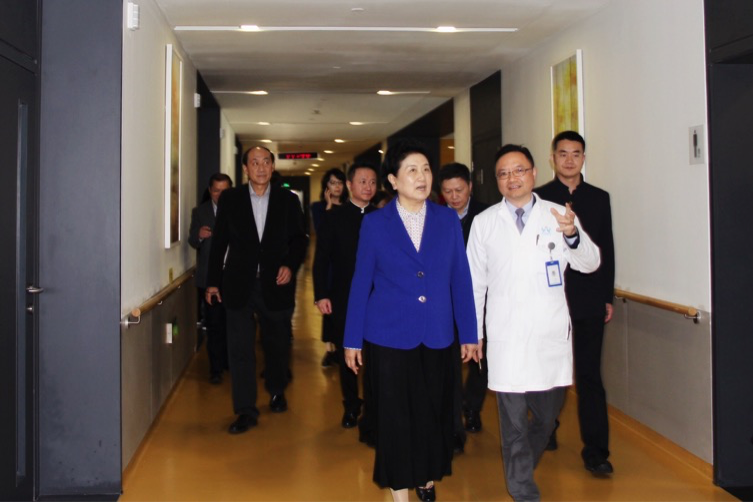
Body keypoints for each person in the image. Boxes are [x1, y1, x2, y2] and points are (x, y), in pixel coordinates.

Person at [344, 140, 480, 502]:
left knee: (433, 412)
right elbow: (361, 282)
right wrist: (352, 339)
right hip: (389, 335)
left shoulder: (446, 219)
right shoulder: (375, 224)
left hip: (437, 333)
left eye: (426, 169)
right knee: (395, 416)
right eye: (412, 170)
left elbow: (460, 278)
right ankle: (400, 488)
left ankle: (426, 475)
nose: (422, 177)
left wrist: (469, 333)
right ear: (393, 180)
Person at [466, 144, 600, 502]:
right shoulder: (484, 223)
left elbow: (590, 263)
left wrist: (572, 235)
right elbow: (474, 283)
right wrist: (473, 333)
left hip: (548, 335)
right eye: (504, 173)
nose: (512, 178)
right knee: (512, 425)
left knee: (545, 418)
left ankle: (521, 469)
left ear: (534, 173)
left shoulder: (558, 215)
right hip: (506, 336)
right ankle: (523, 491)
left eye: (519, 170)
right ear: (497, 181)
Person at [205, 146, 308, 435]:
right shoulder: (231, 199)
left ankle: (276, 390)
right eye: (255, 163)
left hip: (276, 283)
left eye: (266, 162)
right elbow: (220, 242)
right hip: (239, 284)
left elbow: (299, 239)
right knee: (240, 349)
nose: (261, 168)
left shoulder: (287, 200)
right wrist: (212, 281)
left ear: (272, 167)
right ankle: (245, 410)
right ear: (245, 169)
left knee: (277, 344)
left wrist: (290, 265)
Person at [534, 130, 615, 475]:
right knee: (549, 372)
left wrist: (607, 296)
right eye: (563, 153)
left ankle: (596, 452)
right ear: (552, 158)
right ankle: (546, 428)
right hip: (551, 301)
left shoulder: (598, 198)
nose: (569, 160)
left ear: (584, 158)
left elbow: (606, 249)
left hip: (589, 300)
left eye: (576, 153)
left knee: (589, 376)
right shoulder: (539, 198)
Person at [313, 162, 378, 430]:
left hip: (378, 299)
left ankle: (374, 407)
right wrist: (321, 294)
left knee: (375, 355)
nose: (368, 187)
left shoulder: (383, 217)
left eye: (372, 182)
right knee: (346, 354)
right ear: (350, 185)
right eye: (362, 181)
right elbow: (321, 259)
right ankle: (351, 405)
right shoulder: (334, 218)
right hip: (344, 297)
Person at [438, 162, 490, 446]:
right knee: (450, 365)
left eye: (459, 190)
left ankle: (472, 407)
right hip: (446, 303)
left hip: (481, 301)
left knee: (481, 361)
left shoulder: (487, 215)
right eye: (447, 191)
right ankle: (453, 424)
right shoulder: (434, 218)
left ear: (470, 187)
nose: (454, 196)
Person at [188, 173, 232, 384]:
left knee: (233, 322)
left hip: (233, 276)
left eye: (225, 191)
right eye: (216, 190)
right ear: (210, 190)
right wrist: (199, 235)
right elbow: (192, 240)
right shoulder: (200, 212)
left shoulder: (240, 210)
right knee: (214, 324)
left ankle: (229, 362)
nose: (220, 195)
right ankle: (215, 369)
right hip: (209, 278)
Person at [310, 168, 349, 367]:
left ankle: (342, 347)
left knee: (343, 308)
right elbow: (320, 231)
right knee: (328, 307)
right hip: (327, 265)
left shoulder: (349, 207)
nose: (337, 187)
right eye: (333, 182)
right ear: (326, 185)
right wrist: (328, 206)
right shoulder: (318, 207)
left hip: (344, 264)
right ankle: (330, 349)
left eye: (340, 182)